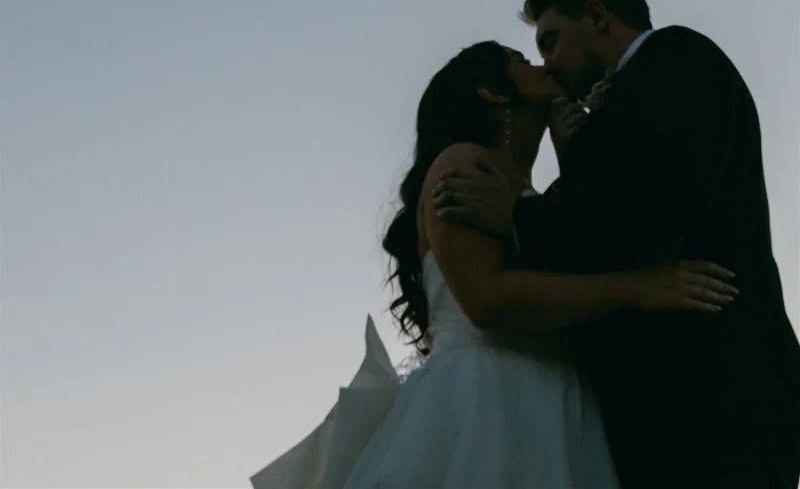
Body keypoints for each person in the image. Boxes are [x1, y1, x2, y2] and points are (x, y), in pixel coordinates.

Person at [251, 40, 737, 489]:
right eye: (520, 61)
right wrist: (638, 287)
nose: (540, 64)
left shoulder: (518, 194)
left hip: (555, 405)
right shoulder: (465, 162)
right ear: (491, 91)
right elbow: (486, 300)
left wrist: (578, 168)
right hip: (489, 404)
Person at [434, 0, 800, 489]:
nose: (549, 64)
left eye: (552, 40)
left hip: (716, 391)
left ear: (598, 16)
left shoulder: (677, 58)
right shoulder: (620, 104)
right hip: (663, 408)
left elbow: (655, 206)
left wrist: (516, 215)